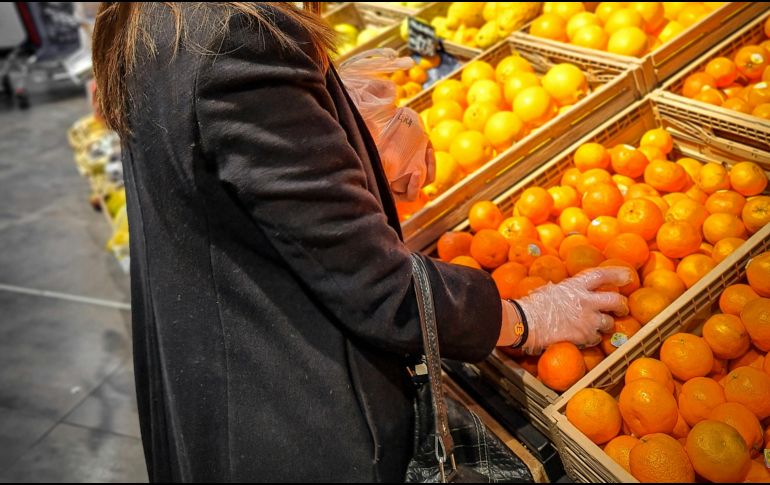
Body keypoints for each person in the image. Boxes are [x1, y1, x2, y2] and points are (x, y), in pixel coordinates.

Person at [91, 2, 631, 482]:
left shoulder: (156, 18)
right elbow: (377, 288)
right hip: (292, 414)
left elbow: (214, 165)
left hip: (220, 381)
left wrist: (328, 136)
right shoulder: (241, 35)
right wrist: (525, 319)